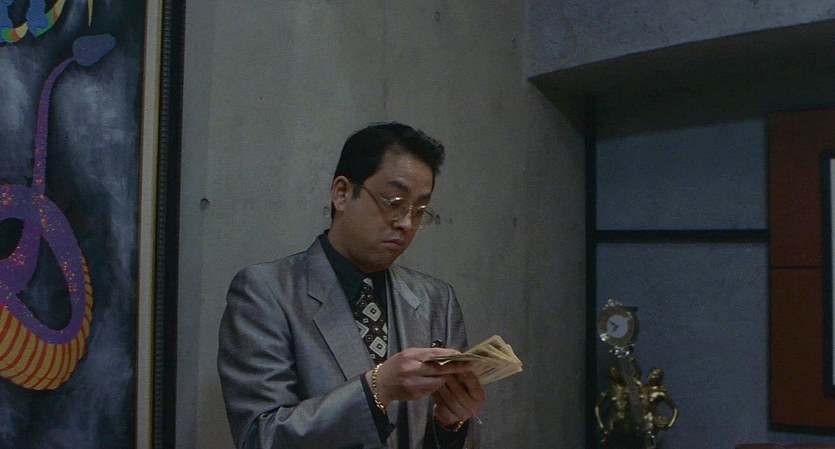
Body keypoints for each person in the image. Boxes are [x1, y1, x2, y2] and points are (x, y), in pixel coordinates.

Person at [218, 122, 486, 449]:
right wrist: (377, 388)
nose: (405, 223)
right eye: (393, 202)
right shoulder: (267, 292)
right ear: (342, 193)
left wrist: (450, 423)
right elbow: (260, 436)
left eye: (419, 211)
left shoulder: (435, 300)